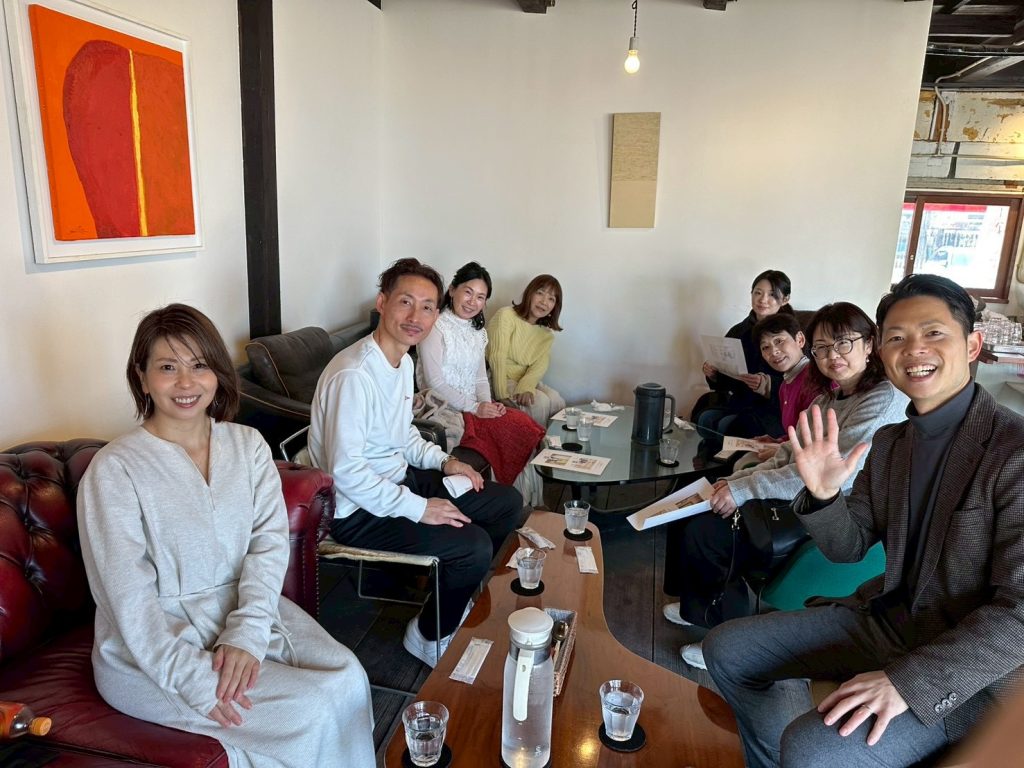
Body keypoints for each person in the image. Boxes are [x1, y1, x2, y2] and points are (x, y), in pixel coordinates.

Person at [703, 274, 1024, 768]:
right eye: (897, 336)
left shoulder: (1013, 451)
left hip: (972, 671)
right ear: (882, 352)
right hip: (887, 622)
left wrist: (909, 682)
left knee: (812, 747)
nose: (914, 349)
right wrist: (824, 494)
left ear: (973, 345)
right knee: (727, 649)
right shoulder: (893, 444)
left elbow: (1020, 614)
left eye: (934, 332)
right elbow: (848, 547)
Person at [77, 304, 375, 768]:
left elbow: (268, 544)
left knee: (351, 679)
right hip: (154, 650)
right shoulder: (114, 470)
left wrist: (247, 633)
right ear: (142, 377)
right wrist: (193, 680)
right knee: (311, 709)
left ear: (217, 372)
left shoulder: (247, 444)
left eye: (199, 365)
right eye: (167, 367)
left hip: (245, 609)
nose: (186, 383)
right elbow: (128, 599)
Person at [663, 302, 909, 669]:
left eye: (843, 343)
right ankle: (698, 608)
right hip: (803, 494)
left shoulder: (882, 399)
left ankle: (729, 641)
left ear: (869, 343)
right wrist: (733, 481)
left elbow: (827, 474)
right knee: (695, 505)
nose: (832, 356)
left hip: (836, 508)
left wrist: (743, 490)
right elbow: (788, 454)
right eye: (822, 348)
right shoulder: (829, 398)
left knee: (711, 532)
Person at [309, 258, 524, 669]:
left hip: (398, 482)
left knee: (505, 503)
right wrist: (421, 508)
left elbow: (403, 433)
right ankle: (428, 635)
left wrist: (445, 462)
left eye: (427, 307)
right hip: (355, 510)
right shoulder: (354, 374)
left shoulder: (402, 361)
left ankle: (449, 598)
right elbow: (345, 474)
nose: (415, 316)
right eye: (405, 302)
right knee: (473, 546)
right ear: (382, 303)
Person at [416, 261, 546, 507]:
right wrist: (476, 408)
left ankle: (528, 502)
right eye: (468, 292)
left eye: (480, 297)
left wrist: (487, 405)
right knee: (517, 427)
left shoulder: (477, 331)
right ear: (452, 290)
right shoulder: (435, 326)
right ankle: (514, 503)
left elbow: (479, 377)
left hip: (473, 407)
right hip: (444, 406)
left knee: (528, 426)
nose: (472, 302)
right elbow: (435, 382)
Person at [695, 270, 794, 454]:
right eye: (758, 293)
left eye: (772, 295)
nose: (763, 300)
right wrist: (714, 374)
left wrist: (766, 385)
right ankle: (707, 465)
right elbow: (727, 380)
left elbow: (800, 379)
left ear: (785, 299)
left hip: (773, 408)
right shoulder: (739, 331)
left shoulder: (791, 333)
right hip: (741, 403)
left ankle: (724, 466)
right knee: (705, 419)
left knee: (727, 426)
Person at [736, 312, 831, 466]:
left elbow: (820, 439)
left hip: (811, 462)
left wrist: (781, 448)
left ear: (800, 339)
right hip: (792, 451)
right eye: (765, 347)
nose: (773, 352)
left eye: (779, 341)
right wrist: (777, 441)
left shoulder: (815, 380)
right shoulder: (785, 385)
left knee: (744, 465)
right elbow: (796, 433)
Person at [486, 274, 566, 426]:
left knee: (557, 401)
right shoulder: (506, 315)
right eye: (540, 293)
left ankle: (550, 440)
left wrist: (525, 387)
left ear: (555, 306)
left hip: (524, 379)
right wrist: (501, 394)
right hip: (499, 377)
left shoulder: (546, 334)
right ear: (530, 293)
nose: (544, 302)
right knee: (539, 402)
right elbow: (497, 356)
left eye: (551, 299)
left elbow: (539, 367)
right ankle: (534, 441)